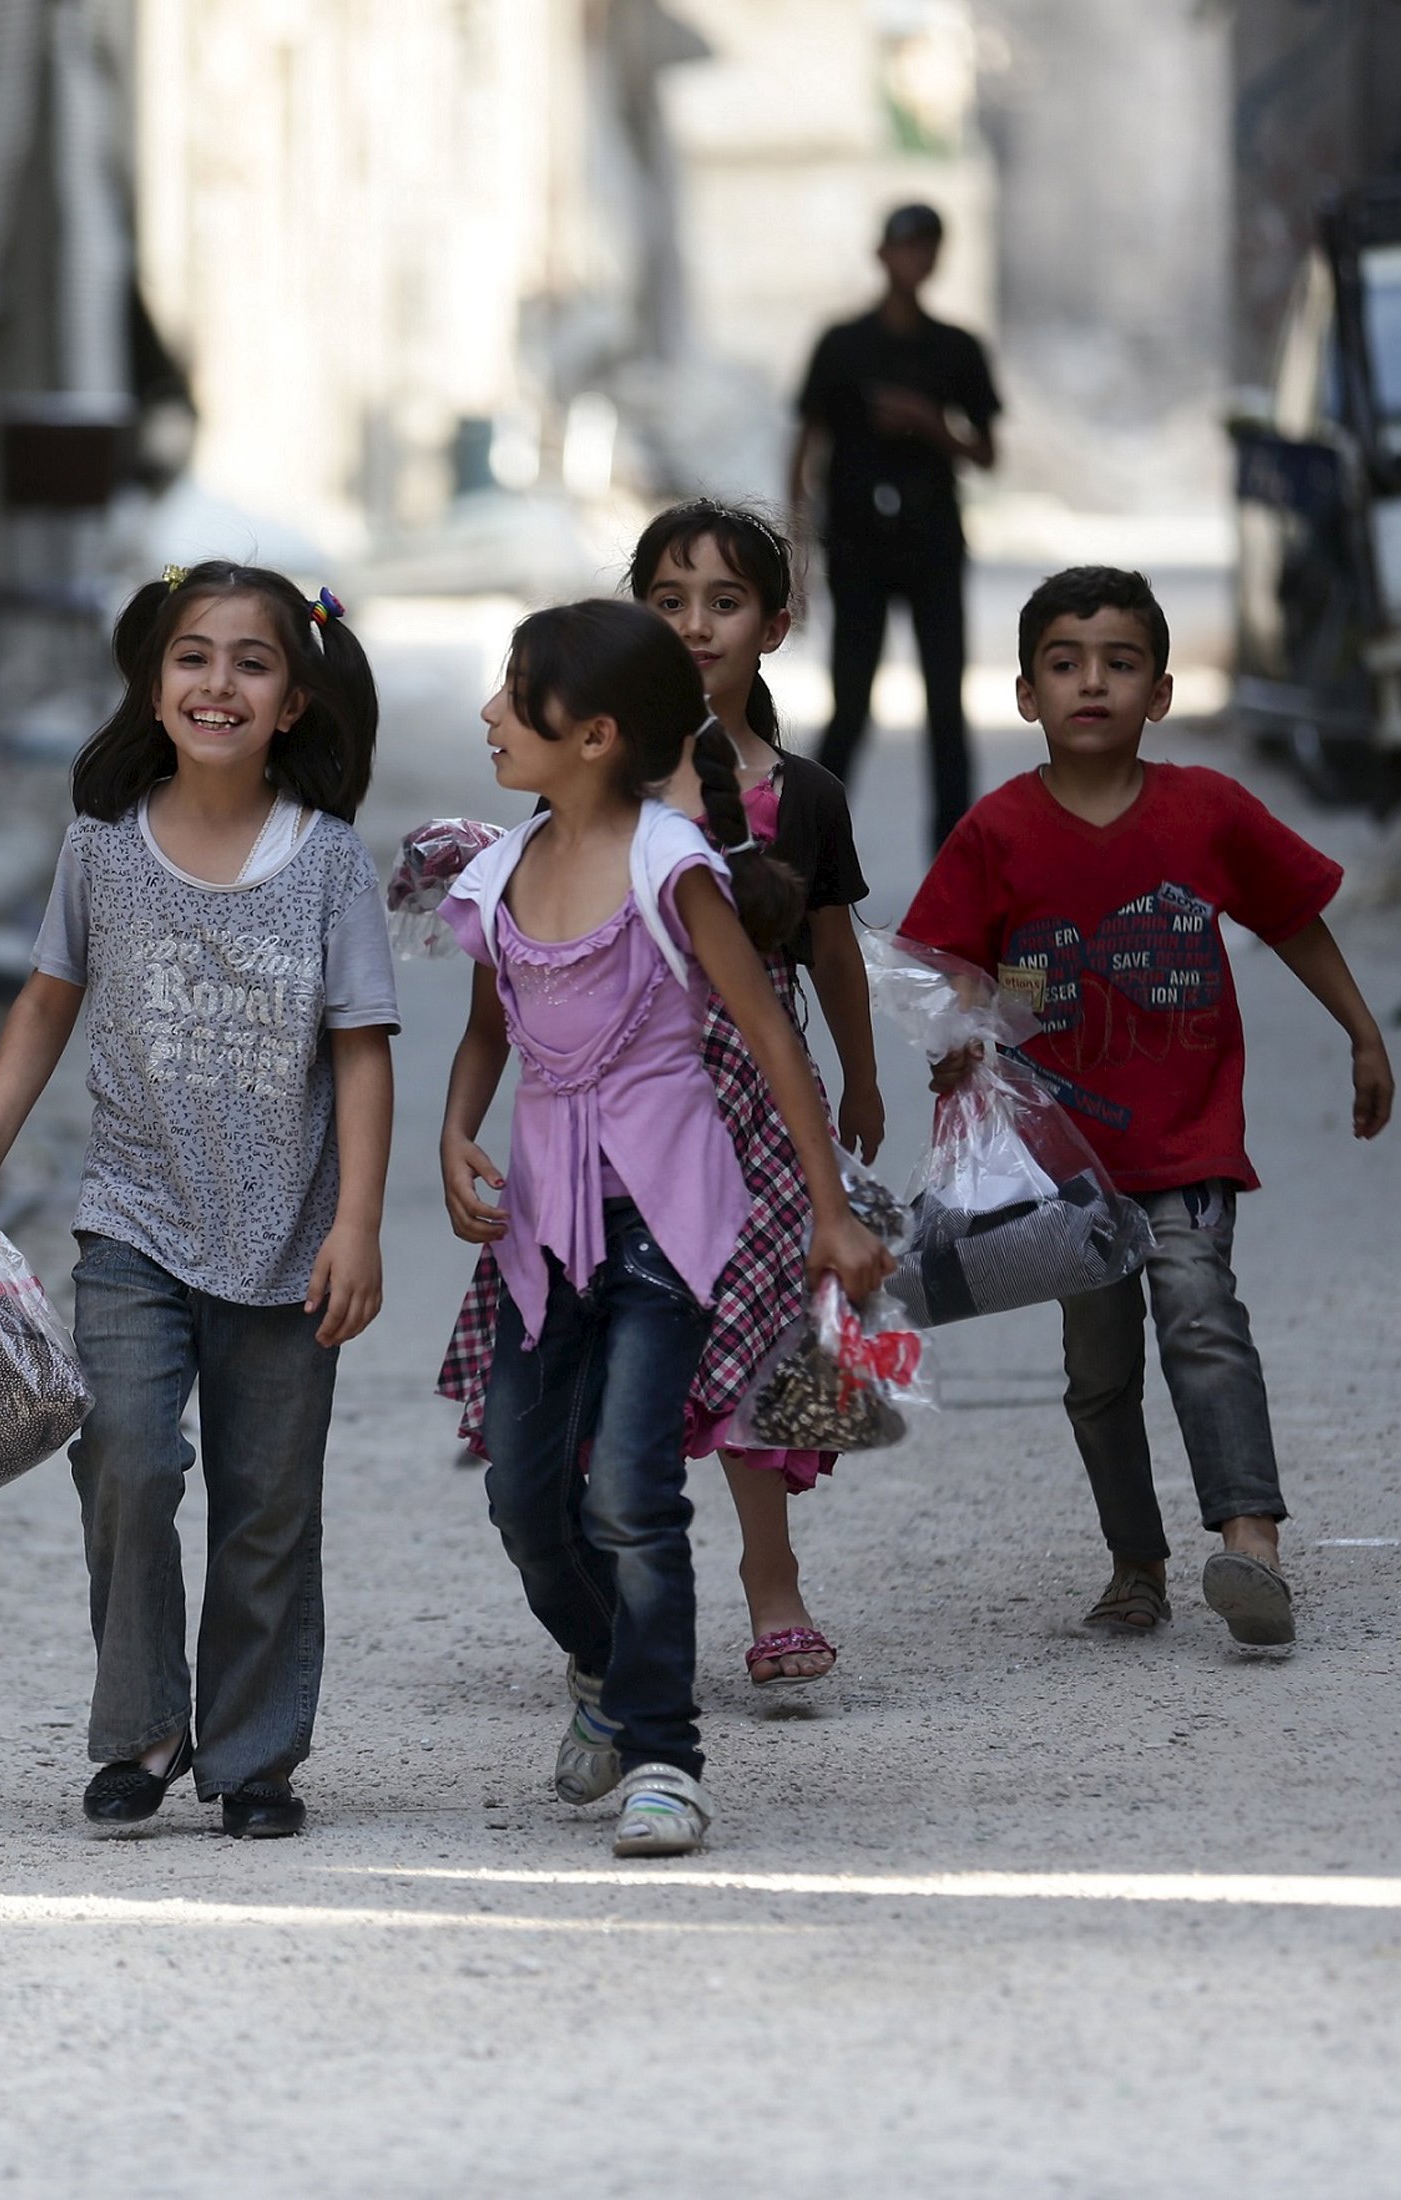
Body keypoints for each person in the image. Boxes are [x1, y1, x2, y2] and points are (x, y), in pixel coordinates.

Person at [0, 560, 398, 1840]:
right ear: (154, 680)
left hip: (290, 1238)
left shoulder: (332, 866)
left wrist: (357, 1221)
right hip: (133, 1219)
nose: (218, 683)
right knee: (126, 1460)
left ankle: (252, 1756)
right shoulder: (102, 848)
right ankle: (140, 1726)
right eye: (194, 656)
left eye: (252, 662)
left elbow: (363, 1047)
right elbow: (42, 1004)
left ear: (295, 700)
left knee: (268, 1504)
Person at [436, 598, 893, 1858]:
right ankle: (601, 1659)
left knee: (635, 1490)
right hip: (543, 1230)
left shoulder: (669, 866)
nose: (486, 712)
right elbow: (488, 1030)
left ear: (591, 736)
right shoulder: (500, 871)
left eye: (510, 692)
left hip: (666, 1226)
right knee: (527, 1496)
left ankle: (663, 1755)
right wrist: (454, 1132)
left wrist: (831, 1211)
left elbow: (765, 1029)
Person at [899, 566, 1393, 1649]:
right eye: (1065, 665)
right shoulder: (997, 833)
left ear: (1159, 691)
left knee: (1201, 1314)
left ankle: (1249, 1540)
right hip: (1063, 1168)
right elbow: (951, 969)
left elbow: (1293, 913)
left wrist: (1361, 1029)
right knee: (1099, 1375)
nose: (1093, 684)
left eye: (1120, 664)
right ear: (1026, 694)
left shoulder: (1205, 811)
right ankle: (1136, 1566)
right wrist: (961, 1047)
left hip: (1187, 1138)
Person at [794, 201, 999, 852]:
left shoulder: (957, 348)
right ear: (881, 253)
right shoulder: (843, 343)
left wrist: (930, 424)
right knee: (849, 705)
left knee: (946, 706)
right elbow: (806, 443)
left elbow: (988, 452)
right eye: (906, 247)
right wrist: (795, 544)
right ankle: (808, 853)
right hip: (857, 544)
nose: (917, 260)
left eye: (929, 248)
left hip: (934, 542)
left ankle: (954, 861)